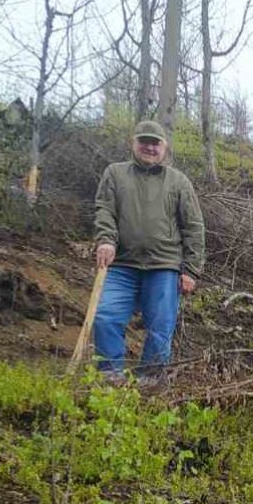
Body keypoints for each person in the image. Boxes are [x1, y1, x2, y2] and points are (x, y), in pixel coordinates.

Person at [92, 120, 205, 384]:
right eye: (144, 141)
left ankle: (150, 379)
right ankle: (110, 376)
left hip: (164, 266)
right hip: (121, 264)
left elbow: (194, 226)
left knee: (160, 327)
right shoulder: (115, 173)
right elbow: (104, 210)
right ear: (133, 143)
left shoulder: (179, 181)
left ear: (164, 147)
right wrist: (106, 240)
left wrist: (190, 269)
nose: (149, 147)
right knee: (105, 317)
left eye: (155, 143)